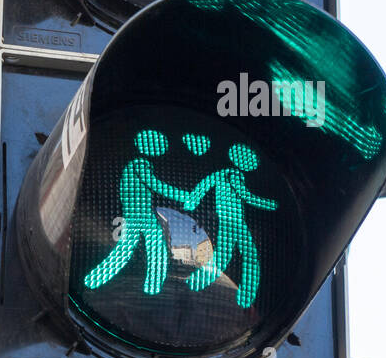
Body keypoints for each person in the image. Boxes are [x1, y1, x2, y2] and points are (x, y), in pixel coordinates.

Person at [82, 130, 190, 295]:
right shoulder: (140, 165)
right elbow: (156, 185)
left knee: (129, 248)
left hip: (135, 213)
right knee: (152, 246)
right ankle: (152, 286)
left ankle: (94, 280)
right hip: (141, 214)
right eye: (159, 144)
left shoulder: (134, 166)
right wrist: (182, 195)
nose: (162, 147)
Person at [183, 143, 277, 308]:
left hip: (229, 219)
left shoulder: (221, 174)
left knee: (225, 256)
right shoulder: (233, 175)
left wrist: (191, 202)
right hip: (233, 221)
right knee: (247, 256)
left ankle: (195, 284)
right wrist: (270, 204)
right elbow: (246, 196)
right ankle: (245, 298)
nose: (252, 163)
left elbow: (204, 185)